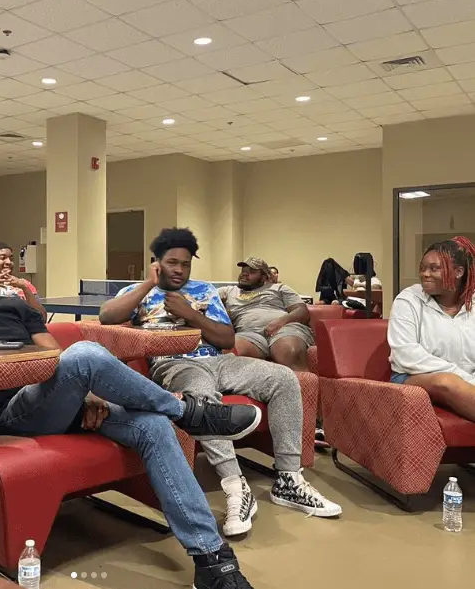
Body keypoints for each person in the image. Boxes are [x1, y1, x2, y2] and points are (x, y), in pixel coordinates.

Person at [0, 237, 264, 589]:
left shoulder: (14, 309)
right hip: (10, 416)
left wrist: (85, 391)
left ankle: (211, 559)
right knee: (87, 354)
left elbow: (53, 358)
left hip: (58, 403)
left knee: (151, 425)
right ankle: (186, 411)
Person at [100, 228, 341, 536]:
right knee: (201, 396)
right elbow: (107, 316)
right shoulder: (139, 291)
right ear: (157, 262)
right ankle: (235, 487)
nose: (179, 269)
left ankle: (288, 479)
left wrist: (192, 315)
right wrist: (150, 283)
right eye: (172, 262)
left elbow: (226, 337)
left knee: (283, 377)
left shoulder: (205, 291)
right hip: (175, 364)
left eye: (185, 264)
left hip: (220, 361)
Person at [389, 237, 475, 420]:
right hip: (412, 377)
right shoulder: (408, 299)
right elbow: (405, 354)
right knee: (446, 382)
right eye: (422, 268)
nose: (425, 274)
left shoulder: (473, 304)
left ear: (459, 272)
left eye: (434, 268)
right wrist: (463, 378)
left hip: (468, 382)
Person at [219, 258, 313, 372]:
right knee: (228, 352)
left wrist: (280, 322)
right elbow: (203, 295)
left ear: (264, 276)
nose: (244, 274)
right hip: (249, 334)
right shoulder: (229, 291)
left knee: (290, 351)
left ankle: (304, 388)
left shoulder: (279, 288)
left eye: (252, 271)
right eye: (243, 270)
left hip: (284, 329)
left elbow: (302, 311)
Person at [0, 241, 46, 320]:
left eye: (11, 258)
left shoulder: (24, 284)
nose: (9, 262)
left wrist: (24, 287)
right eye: (3, 258)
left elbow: (42, 318)